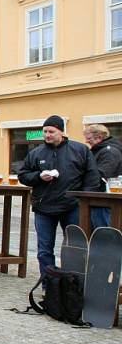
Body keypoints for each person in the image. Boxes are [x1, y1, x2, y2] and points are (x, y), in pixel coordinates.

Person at [19, 116, 100, 276]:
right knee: (44, 250)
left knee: (75, 248)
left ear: (61, 132)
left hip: (72, 206)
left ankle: (74, 285)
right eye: (45, 131)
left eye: (51, 131)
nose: (47, 135)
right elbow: (23, 175)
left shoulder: (80, 150)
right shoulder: (36, 153)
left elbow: (92, 177)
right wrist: (38, 177)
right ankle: (49, 287)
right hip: (44, 206)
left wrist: (85, 201)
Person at [83, 124, 122, 229]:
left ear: (99, 137)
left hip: (103, 200)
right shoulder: (101, 150)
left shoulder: (109, 151)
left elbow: (102, 174)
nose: (87, 141)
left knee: (103, 234)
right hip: (99, 199)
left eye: (89, 138)